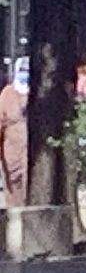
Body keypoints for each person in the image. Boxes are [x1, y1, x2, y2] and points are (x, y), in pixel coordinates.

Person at [0, 57, 27, 207]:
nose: (25, 74)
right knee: (14, 202)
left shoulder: (36, 95)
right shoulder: (7, 94)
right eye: (22, 70)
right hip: (12, 160)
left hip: (32, 161)